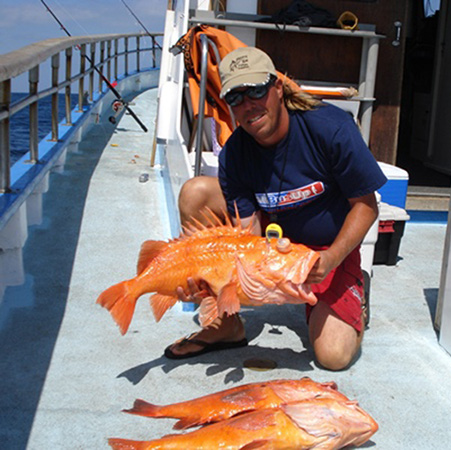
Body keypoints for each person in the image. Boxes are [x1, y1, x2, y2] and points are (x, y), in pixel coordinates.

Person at [164, 46, 387, 371]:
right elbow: (248, 237)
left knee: (333, 357)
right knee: (196, 192)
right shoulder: (235, 155)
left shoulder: (331, 128)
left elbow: (366, 207)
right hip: (273, 246)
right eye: (236, 98)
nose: (248, 105)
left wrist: (331, 258)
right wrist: (210, 283)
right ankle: (227, 326)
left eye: (256, 90)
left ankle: (355, 288)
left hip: (328, 248)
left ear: (277, 88)